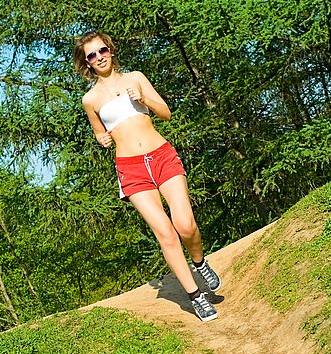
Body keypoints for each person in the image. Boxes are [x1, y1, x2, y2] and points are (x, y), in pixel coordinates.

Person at [73, 30, 221, 322]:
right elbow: (100, 133)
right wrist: (101, 139)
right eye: (92, 55)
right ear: (87, 63)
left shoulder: (135, 78)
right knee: (165, 233)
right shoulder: (90, 100)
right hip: (130, 167)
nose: (99, 57)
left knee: (185, 224)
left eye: (102, 51)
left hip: (161, 155)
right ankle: (195, 296)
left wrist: (144, 99)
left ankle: (200, 262)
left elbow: (165, 113)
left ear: (111, 51)